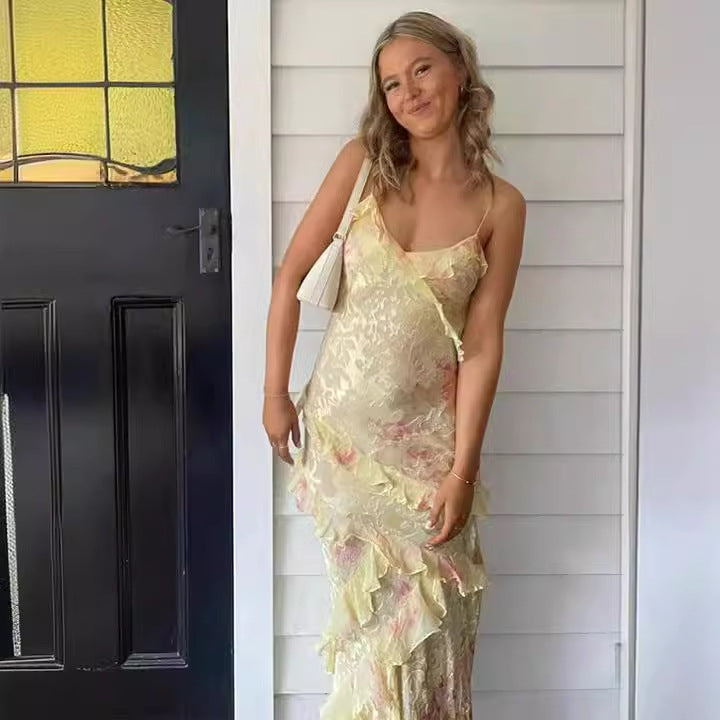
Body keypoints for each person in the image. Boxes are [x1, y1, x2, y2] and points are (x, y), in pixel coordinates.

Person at [263, 10, 526, 719]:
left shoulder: (501, 206)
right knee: (372, 639)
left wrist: (462, 471)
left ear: (459, 71)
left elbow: (483, 344)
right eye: (391, 83)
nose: (408, 92)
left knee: (435, 633)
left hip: (428, 456)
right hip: (343, 449)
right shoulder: (362, 166)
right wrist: (274, 393)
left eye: (422, 70)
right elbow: (289, 275)